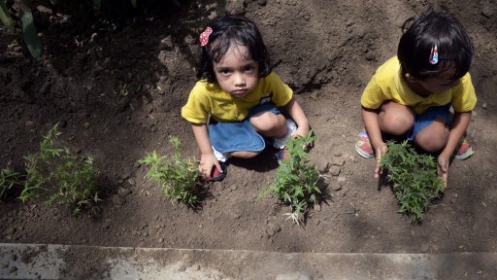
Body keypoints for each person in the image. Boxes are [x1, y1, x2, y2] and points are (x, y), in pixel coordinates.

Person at [355, 8, 477, 187]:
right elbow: (368, 107)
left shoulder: (455, 75)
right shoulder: (386, 77)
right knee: (396, 121)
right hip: (398, 109)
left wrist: (446, 153)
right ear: (413, 77)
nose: (457, 84)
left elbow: (464, 111)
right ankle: (372, 131)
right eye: (445, 83)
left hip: (434, 110)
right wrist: (377, 142)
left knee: (434, 141)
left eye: (458, 77)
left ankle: (447, 129)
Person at [181, 15, 311, 181]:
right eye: (226, 71)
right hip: (228, 125)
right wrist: (206, 153)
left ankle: (285, 135)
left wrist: (303, 127)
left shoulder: (266, 79)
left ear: (259, 62)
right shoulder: (203, 90)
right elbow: (197, 120)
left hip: (260, 114)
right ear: (211, 68)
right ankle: (217, 151)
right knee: (251, 152)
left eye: (248, 68)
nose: (239, 81)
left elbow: (287, 100)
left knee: (268, 122)